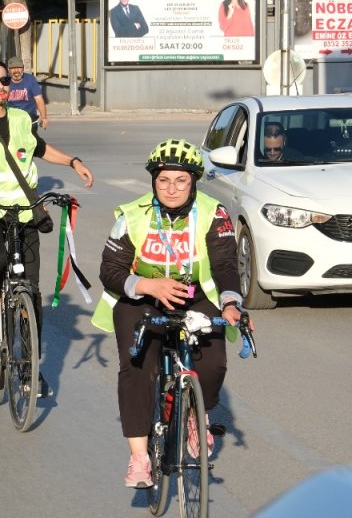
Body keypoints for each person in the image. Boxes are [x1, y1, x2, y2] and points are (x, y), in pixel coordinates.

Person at [92, 139, 248, 489]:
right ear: (153, 181)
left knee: (214, 364)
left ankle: (196, 415)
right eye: (164, 180)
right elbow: (110, 270)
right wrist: (149, 286)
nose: (172, 188)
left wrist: (230, 303)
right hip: (141, 299)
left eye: (181, 181)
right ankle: (139, 457)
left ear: (194, 181)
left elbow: (224, 264)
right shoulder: (132, 215)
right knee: (136, 366)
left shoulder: (213, 212)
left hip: (196, 296)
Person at [0, 60, 94, 388]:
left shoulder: (22, 118)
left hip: (25, 212)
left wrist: (73, 161)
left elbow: (39, 149)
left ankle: (29, 366)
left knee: (31, 293)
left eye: (3, 82)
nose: (1, 87)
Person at [6, 56, 48, 132]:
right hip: (11, 120)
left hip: (29, 119)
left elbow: (39, 99)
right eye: (13, 68)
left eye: (19, 67)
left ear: (23, 68)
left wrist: (43, 117)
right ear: (8, 70)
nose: (16, 71)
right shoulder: (5, 81)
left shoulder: (30, 80)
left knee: (32, 142)